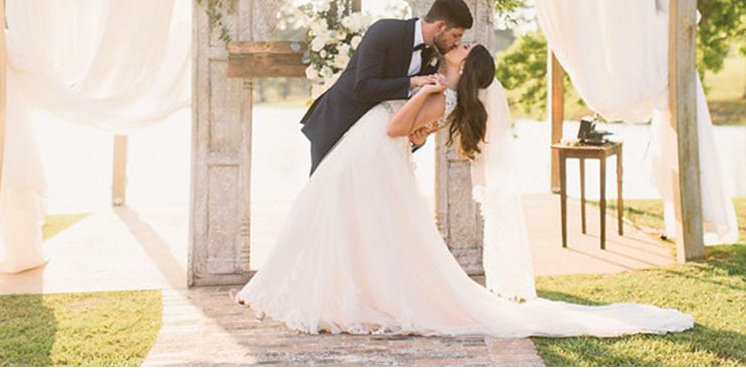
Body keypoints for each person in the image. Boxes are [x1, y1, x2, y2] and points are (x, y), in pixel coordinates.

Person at [231, 44, 694, 338]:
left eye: (465, 48)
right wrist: (419, 106)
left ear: (464, 66)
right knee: (336, 218)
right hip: (371, 157)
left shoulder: (439, 91)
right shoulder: (449, 98)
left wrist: (416, 93)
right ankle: (277, 290)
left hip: (369, 152)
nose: (459, 45)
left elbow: (396, 127)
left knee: (320, 212)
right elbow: (416, 136)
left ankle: (274, 291)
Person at [300, 0, 473, 175]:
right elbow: (364, 87)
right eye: (456, 35)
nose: (457, 42)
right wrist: (413, 82)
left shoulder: (431, 58)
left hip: (374, 140)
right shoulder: (385, 31)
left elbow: (409, 108)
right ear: (440, 27)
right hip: (338, 123)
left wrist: (417, 140)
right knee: (328, 194)